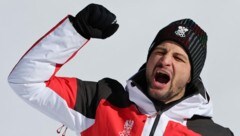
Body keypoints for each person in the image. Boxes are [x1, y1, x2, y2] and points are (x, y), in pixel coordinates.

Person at [8, 3, 233, 136]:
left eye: (178, 58)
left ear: (191, 75)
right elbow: (27, 82)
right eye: (160, 51)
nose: (165, 61)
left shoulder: (211, 134)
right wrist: (75, 32)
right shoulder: (102, 102)